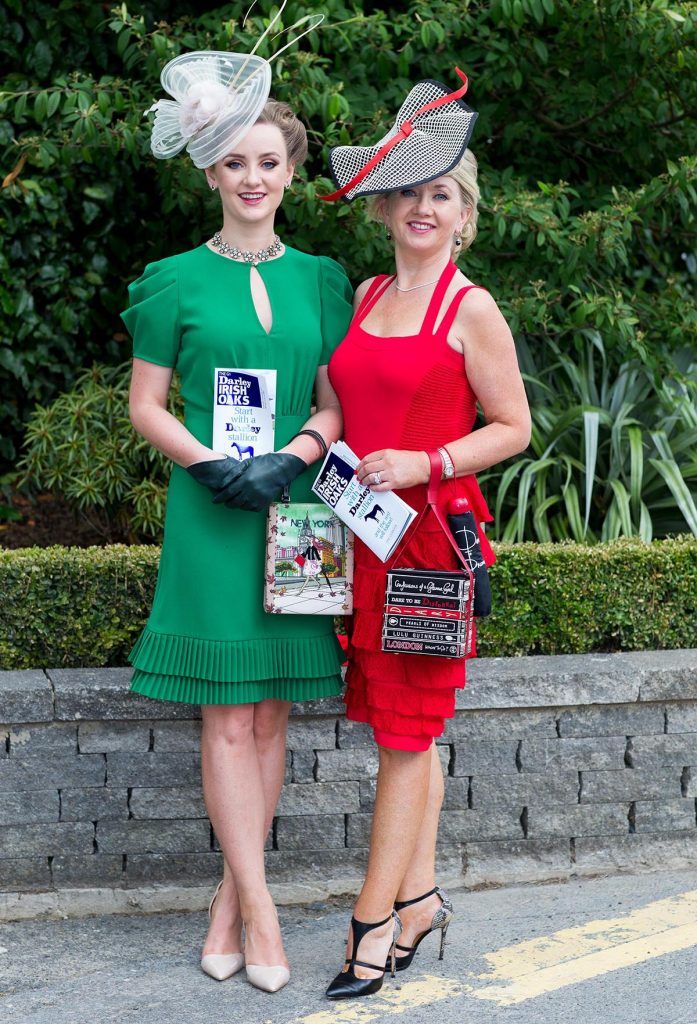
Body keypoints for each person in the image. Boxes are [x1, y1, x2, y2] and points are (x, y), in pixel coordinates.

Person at [122, 46, 352, 995]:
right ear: (209, 171)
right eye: (233, 163)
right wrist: (215, 461)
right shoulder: (171, 279)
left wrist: (290, 459)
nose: (251, 178)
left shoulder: (324, 278)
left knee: (271, 713)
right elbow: (145, 404)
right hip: (211, 505)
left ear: (291, 173)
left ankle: (229, 899)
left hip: (295, 508)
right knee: (225, 715)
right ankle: (261, 915)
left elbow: (334, 403)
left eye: (269, 162)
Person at [321, 69, 531, 999]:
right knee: (400, 730)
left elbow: (514, 428)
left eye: (438, 192)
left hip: (425, 553)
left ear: (462, 211)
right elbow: (337, 401)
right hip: (354, 541)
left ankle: (369, 925)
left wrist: (425, 462)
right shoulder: (363, 296)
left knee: (407, 737)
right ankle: (419, 902)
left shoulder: (468, 307)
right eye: (406, 190)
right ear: (385, 206)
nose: (420, 205)